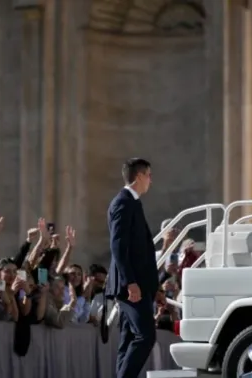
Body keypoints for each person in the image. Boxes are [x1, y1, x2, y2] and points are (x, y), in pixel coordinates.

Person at [106, 158, 159, 378]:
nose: (150, 181)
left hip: (138, 284)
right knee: (146, 336)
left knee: (128, 339)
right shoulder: (123, 202)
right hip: (131, 287)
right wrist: (131, 282)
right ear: (138, 176)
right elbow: (118, 245)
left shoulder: (133, 202)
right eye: (148, 175)